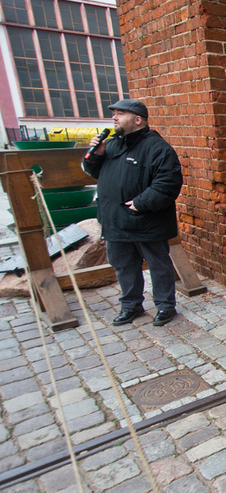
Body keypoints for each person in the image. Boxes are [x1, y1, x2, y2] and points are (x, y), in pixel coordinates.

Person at [82, 99, 184, 326]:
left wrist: (140, 203)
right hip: (115, 220)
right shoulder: (110, 146)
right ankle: (131, 305)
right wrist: (96, 154)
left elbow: (168, 183)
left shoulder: (157, 148)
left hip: (145, 219)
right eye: (114, 114)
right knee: (123, 265)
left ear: (137, 120)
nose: (114, 118)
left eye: (120, 114)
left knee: (158, 264)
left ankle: (165, 305)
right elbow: (93, 172)